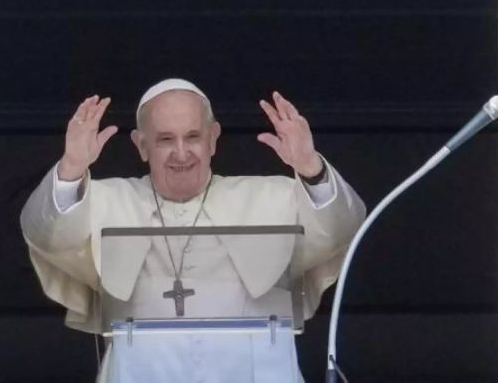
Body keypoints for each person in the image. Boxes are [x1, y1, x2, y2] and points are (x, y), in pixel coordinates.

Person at [20, 78, 365, 382]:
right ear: (141, 145)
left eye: (193, 136)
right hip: (143, 371)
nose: (181, 152)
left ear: (213, 139)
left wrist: (309, 167)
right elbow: (46, 234)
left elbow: (340, 227)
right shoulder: (105, 200)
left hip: (257, 370)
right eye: (166, 139)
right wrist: (70, 170)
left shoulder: (271, 195)